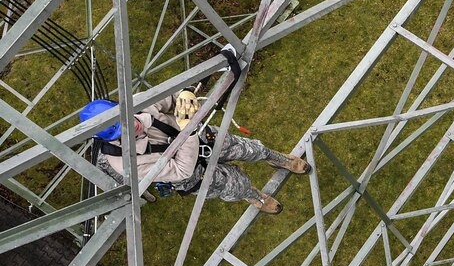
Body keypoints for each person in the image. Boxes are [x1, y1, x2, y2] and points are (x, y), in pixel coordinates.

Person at [79, 96, 309, 214]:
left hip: (202, 138)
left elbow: (173, 95)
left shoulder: (137, 103)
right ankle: (253, 195)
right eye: (124, 131)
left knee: (251, 149)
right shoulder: (125, 163)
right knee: (235, 186)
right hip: (191, 173)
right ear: (110, 139)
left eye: (128, 120)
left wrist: (186, 97)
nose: (134, 126)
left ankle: (279, 159)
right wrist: (187, 128)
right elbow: (181, 171)